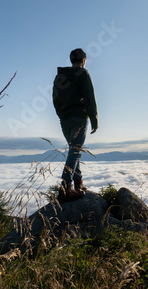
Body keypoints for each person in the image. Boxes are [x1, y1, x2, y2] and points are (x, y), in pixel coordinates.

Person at [53, 48, 98, 201]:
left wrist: (62, 117)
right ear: (84, 60)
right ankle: (65, 188)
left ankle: (78, 183)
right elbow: (89, 98)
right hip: (79, 118)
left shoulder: (60, 76)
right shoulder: (83, 74)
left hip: (64, 121)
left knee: (74, 151)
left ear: (72, 60)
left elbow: (55, 100)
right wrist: (94, 119)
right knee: (75, 151)